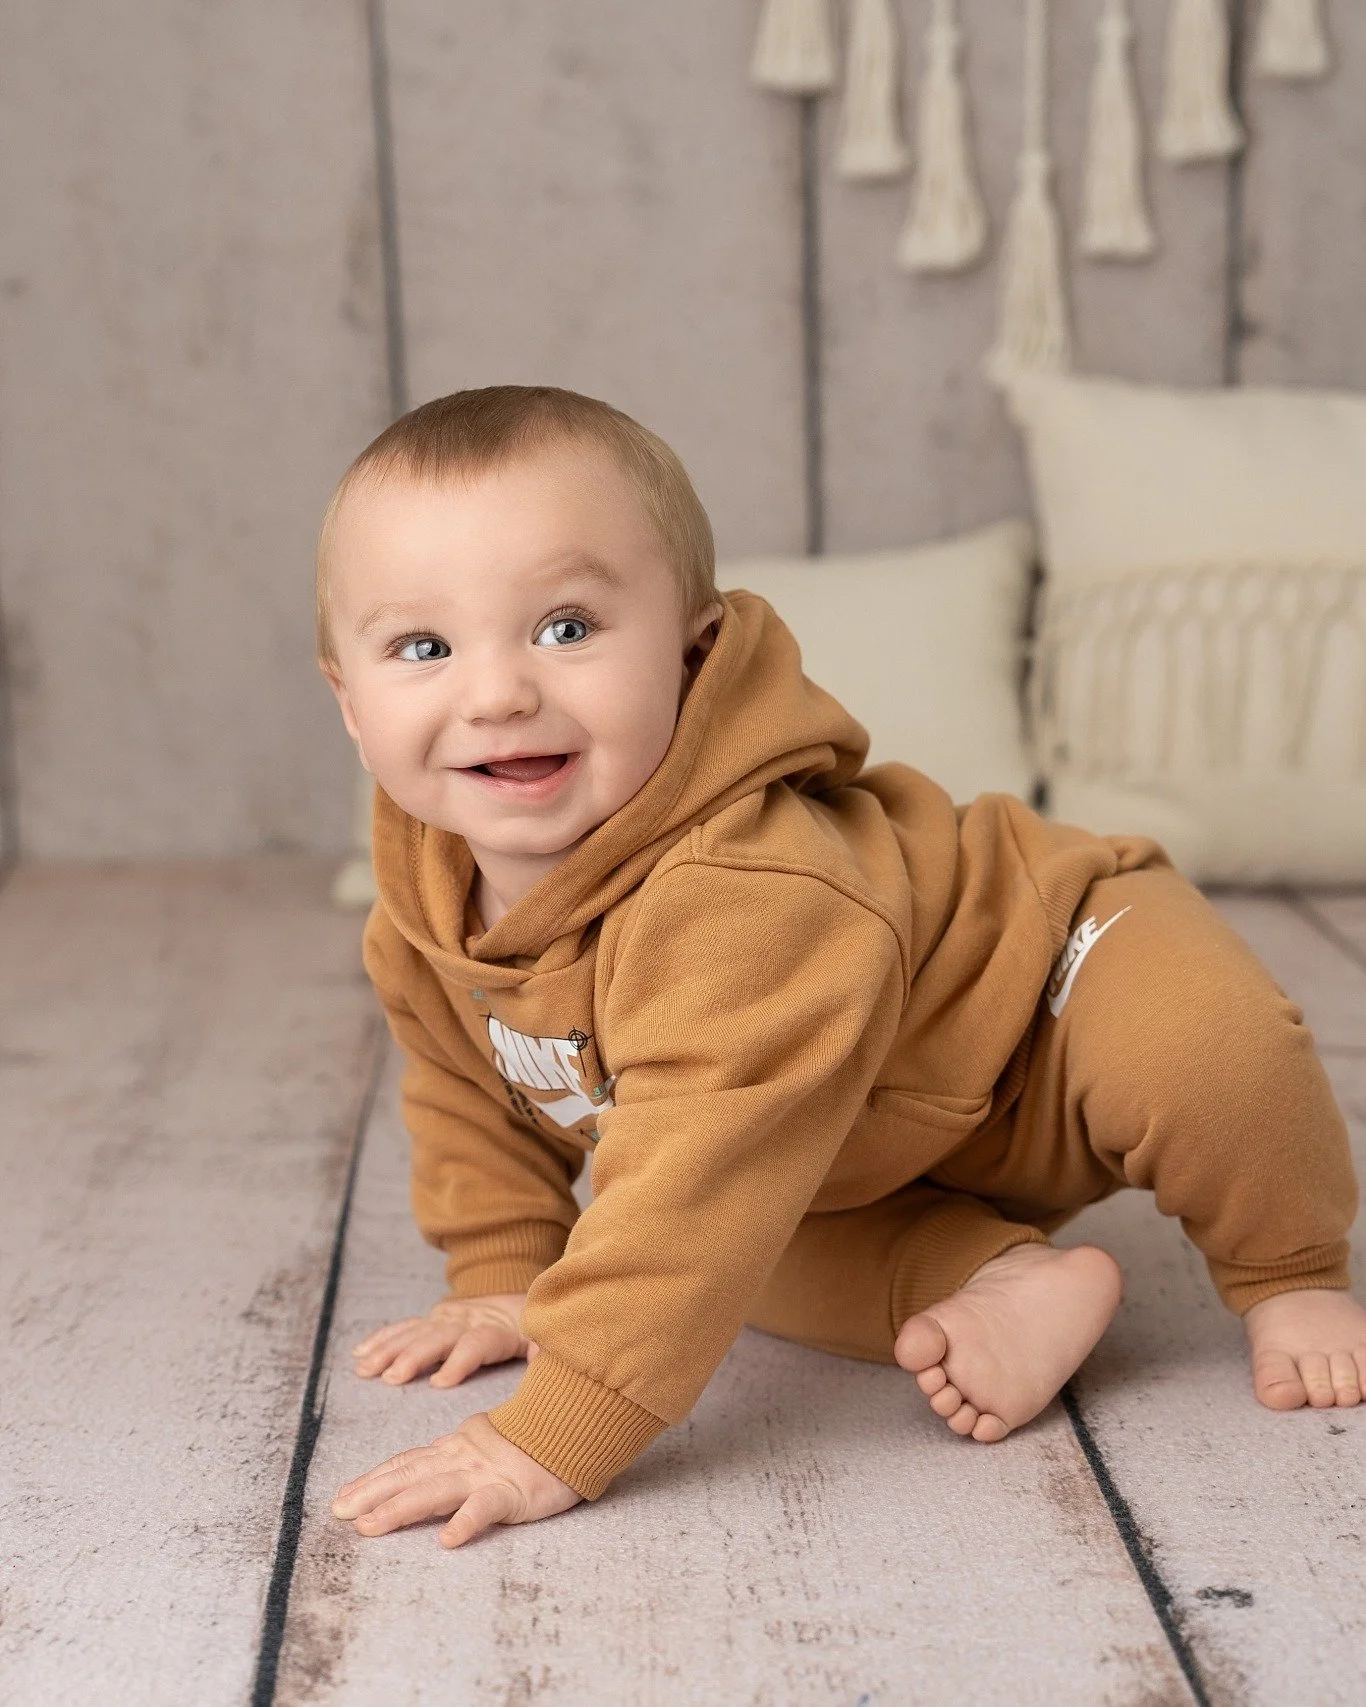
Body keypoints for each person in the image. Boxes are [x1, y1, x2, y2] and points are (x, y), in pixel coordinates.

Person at [318, 385, 1362, 1551]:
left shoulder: (741, 889)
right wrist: (510, 1271)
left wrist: (547, 1431)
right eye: (423, 646)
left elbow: (697, 1171)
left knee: (1200, 1050)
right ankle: (1001, 1276)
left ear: (694, 653)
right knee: (729, 1254)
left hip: (1045, 988)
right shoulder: (426, 910)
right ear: (351, 705)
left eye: (566, 628)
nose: (499, 691)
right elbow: (472, 1087)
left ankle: (1291, 1269)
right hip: (841, 1124)